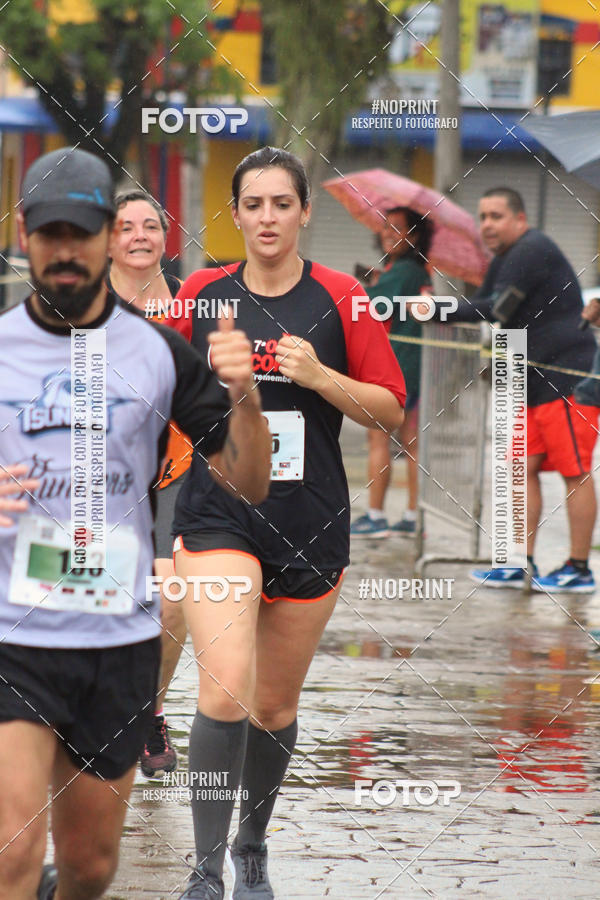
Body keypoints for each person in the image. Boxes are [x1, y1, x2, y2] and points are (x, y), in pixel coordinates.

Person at [0, 146, 270, 900]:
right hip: (13, 638)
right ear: (25, 234)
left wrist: (243, 394)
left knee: (89, 867)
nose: (64, 250)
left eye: (80, 232)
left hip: (116, 642)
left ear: (106, 237)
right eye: (49, 233)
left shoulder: (158, 352)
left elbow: (247, 481)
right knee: (13, 854)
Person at [166, 146, 406, 899]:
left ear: (304, 212)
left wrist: (319, 376)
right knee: (227, 687)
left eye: (281, 203)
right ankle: (205, 870)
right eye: (253, 204)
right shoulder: (203, 292)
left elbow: (392, 411)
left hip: (309, 519)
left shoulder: (344, 297)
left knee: (273, 705)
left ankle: (252, 845)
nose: (266, 217)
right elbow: (155, 384)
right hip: (219, 513)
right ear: (234, 213)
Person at [416, 187, 598, 593]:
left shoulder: (531, 249)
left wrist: (435, 307)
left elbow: (494, 309)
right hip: (533, 381)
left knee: (575, 473)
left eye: (496, 216)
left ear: (520, 219)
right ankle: (519, 562)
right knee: (522, 468)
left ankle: (580, 567)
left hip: (568, 378)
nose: (487, 225)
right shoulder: (506, 257)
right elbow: (485, 302)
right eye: (482, 216)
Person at [109, 190, 190, 777]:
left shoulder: (193, 305)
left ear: (166, 237)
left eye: (150, 226)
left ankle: (150, 712)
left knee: (175, 602)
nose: (140, 235)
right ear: (109, 239)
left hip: (178, 472)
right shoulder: (79, 305)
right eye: (126, 226)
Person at [350, 206, 432, 538]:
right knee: (411, 443)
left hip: (395, 367)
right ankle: (413, 516)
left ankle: (375, 516)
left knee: (378, 438)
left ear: (414, 237)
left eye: (397, 228)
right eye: (385, 227)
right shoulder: (409, 270)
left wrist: (367, 287)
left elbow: (371, 304)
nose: (388, 233)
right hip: (411, 365)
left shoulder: (406, 269)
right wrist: (380, 279)